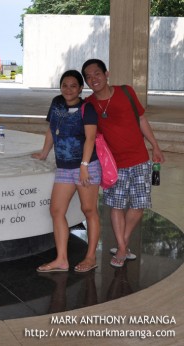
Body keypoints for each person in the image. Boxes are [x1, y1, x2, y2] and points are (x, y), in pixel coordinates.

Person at [81, 59, 165, 268]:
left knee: (139, 205)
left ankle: (122, 243)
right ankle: (121, 247)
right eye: (89, 77)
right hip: (113, 165)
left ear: (106, 74)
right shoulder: (89, 105)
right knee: (117, 206)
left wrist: (155, 145)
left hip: (139, 159)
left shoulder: (126, 92)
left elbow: (142, 120)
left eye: (97, 73)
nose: (94, 79)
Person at [32, 70, 101, 273]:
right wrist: (45, 153)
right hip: (64, 167)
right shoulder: (56, 103)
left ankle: (90, 257)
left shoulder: (87, 108)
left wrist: (84, 166)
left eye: (73, 86)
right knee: (56, 210)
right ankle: (62, 259)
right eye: (64, 85)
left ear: (80, 88)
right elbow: (52, 129)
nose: (68, 89)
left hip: (86, 167)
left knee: (89, 210)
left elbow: (90, 138)